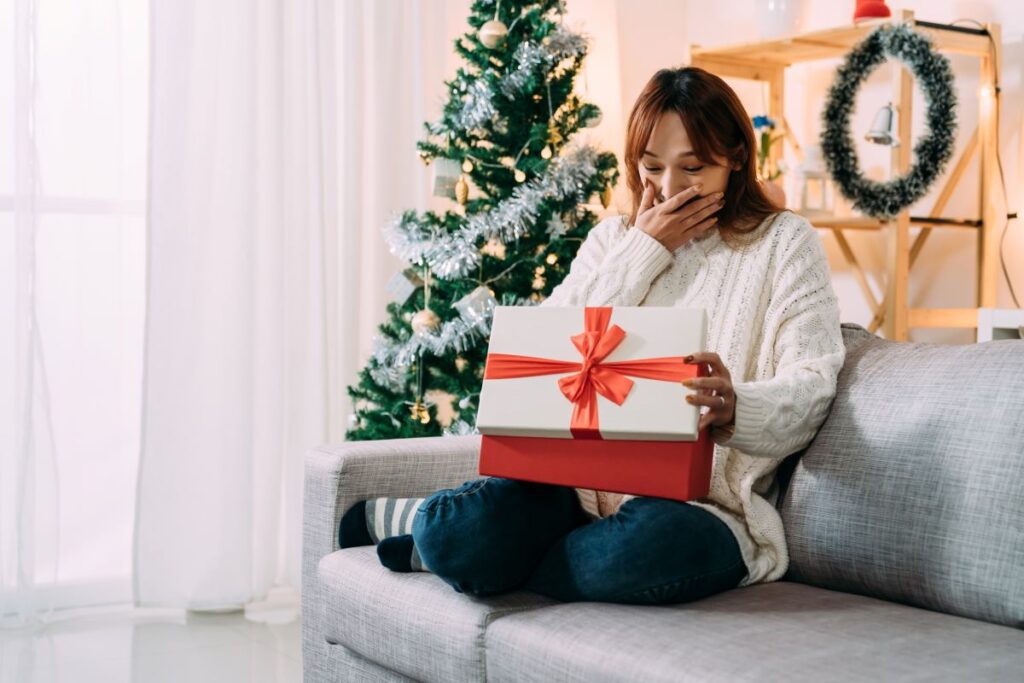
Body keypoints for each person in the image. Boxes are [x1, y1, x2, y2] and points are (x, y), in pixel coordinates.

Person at [337, 66, 846, 605]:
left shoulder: (785, 243)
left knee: (638, 551)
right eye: (652, 168)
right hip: (573, 491)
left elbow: (812, 386)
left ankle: (477, 555)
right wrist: (645, 251)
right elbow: (553, 344)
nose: (669, 189)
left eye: (692, 168)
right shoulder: (614, 241)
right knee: (456, 533)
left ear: (737, 157)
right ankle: (446, 536)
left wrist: (735, 408)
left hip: (702, 510)